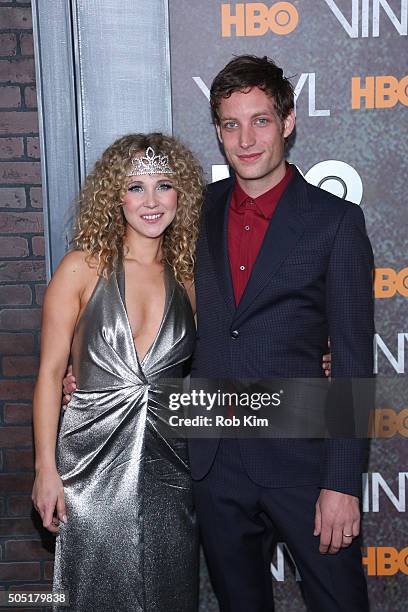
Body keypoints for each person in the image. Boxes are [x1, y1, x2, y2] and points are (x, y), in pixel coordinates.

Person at [186, 55, 374, 611]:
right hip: (214, 460)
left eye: (260, 120)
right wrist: (89, 368)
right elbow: (148, 303)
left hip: (305, 463)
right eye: (231, 124)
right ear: (218, 130)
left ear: (288, 121)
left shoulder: (335, 221)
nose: (245, 139)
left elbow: (353, 358)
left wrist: (343, 482)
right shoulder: (195, 210)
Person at [31, 133, 204, 612]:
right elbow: (49, 375)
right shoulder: (81, 268)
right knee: (94, 594)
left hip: (171, 468)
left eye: (163, 185)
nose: (150, 201)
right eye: (135, 187)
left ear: (180, 195)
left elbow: (228, 354)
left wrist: (321, 354)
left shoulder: (190, 278)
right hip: (90, 466)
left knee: (170, 593)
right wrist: (46, 470)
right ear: (115, 196)